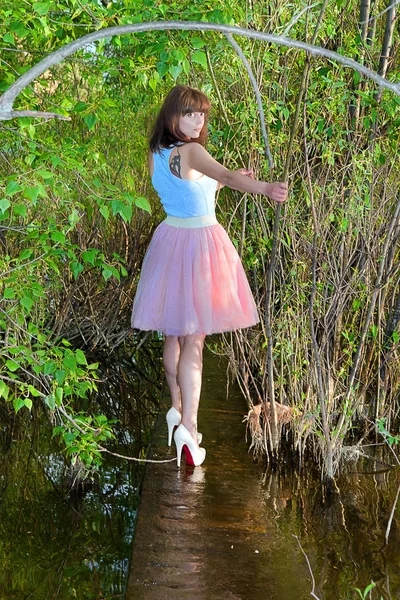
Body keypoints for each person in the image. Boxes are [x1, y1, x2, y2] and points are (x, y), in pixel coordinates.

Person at [131, 85, 287, 468]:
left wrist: (218, 181)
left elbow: (188, 190)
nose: (198, 121)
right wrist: (264, 188)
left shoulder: (157, 153)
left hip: (171, 240)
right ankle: (190, 426)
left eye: (201, 114)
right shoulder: (193, 151)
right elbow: (227, 180)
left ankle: (176, 409)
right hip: (200, 245)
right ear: (173, 116)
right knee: (194, 342)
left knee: (173, 332)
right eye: (190, 114)